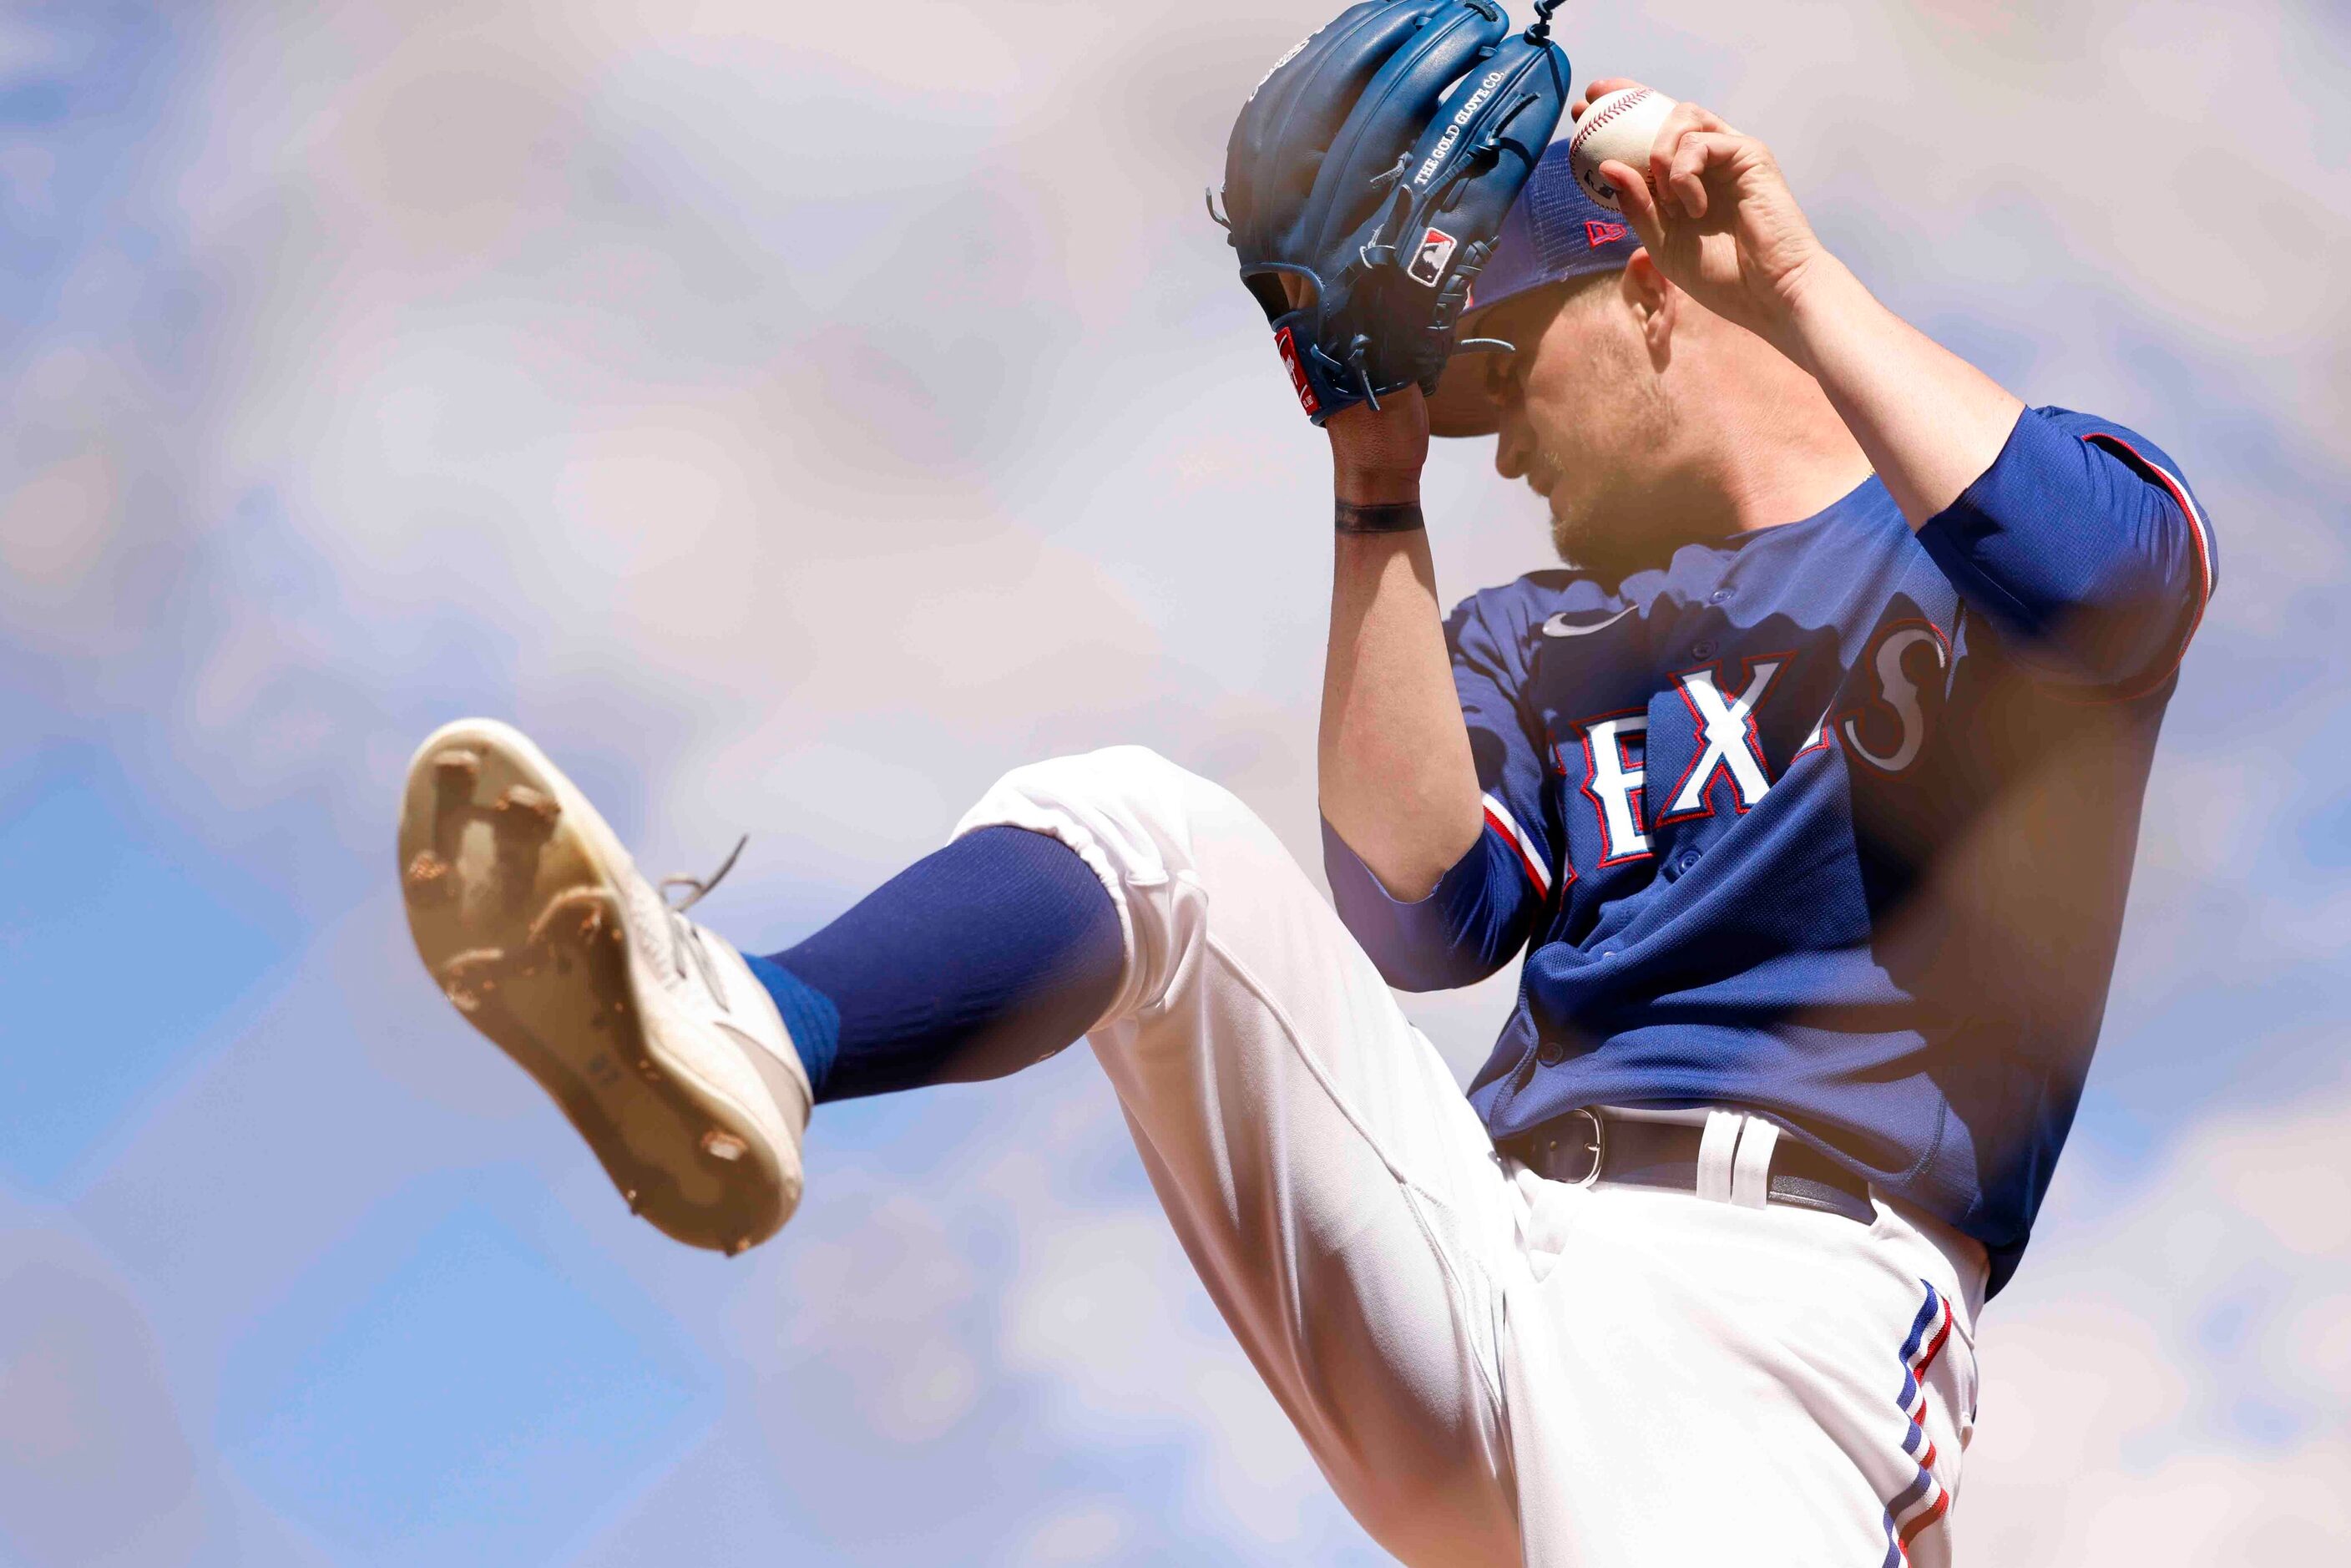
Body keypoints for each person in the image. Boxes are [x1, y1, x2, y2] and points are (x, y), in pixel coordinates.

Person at [397, 78, 2214, 1566]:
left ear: (1648, 281)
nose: (1486, 439)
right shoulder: (1548, 642)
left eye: (1486, 369)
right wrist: (1372, 481)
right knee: (1141, 832)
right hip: (1488, 1247)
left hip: (1778, 1316)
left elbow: (2113, 576)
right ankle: (745, 1032)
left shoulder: (1962, 542)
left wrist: (1788, 274)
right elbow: (1416, 913)